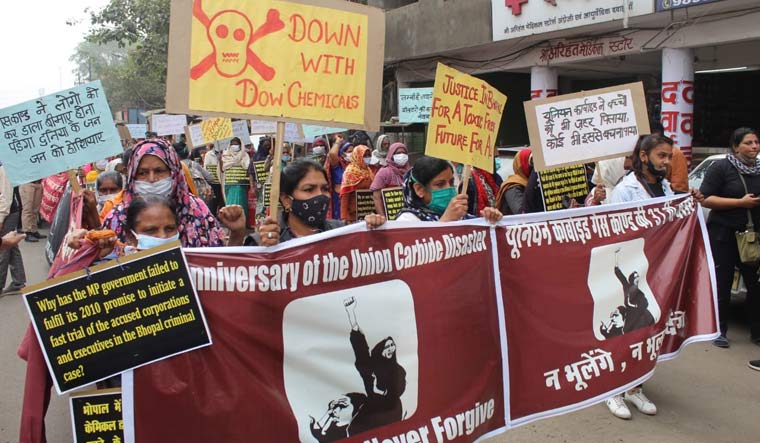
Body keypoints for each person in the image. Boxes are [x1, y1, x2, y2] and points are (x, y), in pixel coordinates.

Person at [605, 134, 705, 420]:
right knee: (625, 332)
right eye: (661, 156)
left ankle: (635, 387)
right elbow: (617, 232)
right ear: (645, 156)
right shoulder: (626, 189)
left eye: (669, 157)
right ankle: (612, 389)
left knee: (648, 331)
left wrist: (690, 201)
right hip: (630, 270)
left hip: (657, 271)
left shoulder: (665, 188)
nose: (667, 162)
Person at [228, 159, 385, 247]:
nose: (320, 196)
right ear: (286, 200)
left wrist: (375, 229)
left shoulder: (342, 232)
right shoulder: (263, 240)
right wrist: (264, 252)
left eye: (324, 189)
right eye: (309, 189)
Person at [102, 139, 226, 247]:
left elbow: (219, 264)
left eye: (159, 171)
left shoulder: (198, 211)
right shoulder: (117, 219)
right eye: (142, 173)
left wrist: (237, 233)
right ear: (131, 176)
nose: (151, 179)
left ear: (174, 172)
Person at [700, 127, 760, 349]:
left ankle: (756, 332)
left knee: (754, 286)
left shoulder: (759, 169)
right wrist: (740, 203)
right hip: (724, 235)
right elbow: (705, 199)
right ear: (736, 147)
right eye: (748, 143)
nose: (754, 146)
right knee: (722, 283)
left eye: (756, 142)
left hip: (752, 239)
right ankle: (719, 330)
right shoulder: (721, 167)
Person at [344, 296, 406, 431]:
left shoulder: (398, 370)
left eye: (392, 345)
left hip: (391, 411)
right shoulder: (370, 366)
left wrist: (384, 390)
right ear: (380, 349)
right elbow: (360, 347)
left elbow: (399, 390)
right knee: (353, 431)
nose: (391, 348)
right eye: (387, 346)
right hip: (371, 410)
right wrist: (351, 314)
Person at [396, 156, 502, 223]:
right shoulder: (407, 221)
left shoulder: (462, 217)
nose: (449, 189)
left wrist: (488, 221)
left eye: (451, 182)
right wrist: (446, 220)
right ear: (419, 190)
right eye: (440, 184)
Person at [0, 161, 26, 294]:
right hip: (6, 211)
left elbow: (5, 198)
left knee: (3, 249)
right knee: (11, 246)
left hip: (7, 212)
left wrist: (0, 219)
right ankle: (19, 281)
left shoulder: (3, 167)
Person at [370, 142, 410, 216]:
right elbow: (376, 197)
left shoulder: (409, 172)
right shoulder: (384, 172)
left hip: (407, 216)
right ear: (391, 155)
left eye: (404, 153)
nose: (402, 155)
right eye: (398, 153)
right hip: (389, 216)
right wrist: (383, 217)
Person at [340, 145, 375, 223]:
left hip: (368, 213)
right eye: (364, 155)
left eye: (369, 155)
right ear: (358, 156)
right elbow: (345, 196)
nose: (367, 157)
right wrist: (344, 217)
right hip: (353, 216)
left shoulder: (369, 171)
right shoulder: (350, 172)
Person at [496, 148, 532, 215]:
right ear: (522, 165)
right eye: (531, 162)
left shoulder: (531, 183)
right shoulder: (513, 187)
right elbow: (521, 213)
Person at [222, 137, 251, 217]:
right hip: (229, 184)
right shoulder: (225, 154)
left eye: (236, 144)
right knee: (230, 203)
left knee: (240, 202)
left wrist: (234, 162)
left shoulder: (245, 155)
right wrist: (238, 162)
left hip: (241, 184)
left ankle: (241, 220)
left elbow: (246, 166)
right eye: (232, 144)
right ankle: (229, 219)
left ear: (240, 145)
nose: (234, 146)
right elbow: (224, 167)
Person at [326, 138, 354, 220]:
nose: (352, 154)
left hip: (351, 199)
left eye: (353, 151)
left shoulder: (354, 165)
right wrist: (338, 141)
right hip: (338, 199)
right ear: (342, 153)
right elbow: (332, 154)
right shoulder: (337, 165)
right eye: (349, 152)